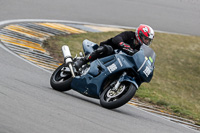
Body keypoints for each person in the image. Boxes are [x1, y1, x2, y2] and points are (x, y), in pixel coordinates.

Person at [74, 24, 155, 70]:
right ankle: (83, 60)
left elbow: (141, 56)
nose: (146, 41)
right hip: (109, 50)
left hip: (119, 60)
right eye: (145, 38)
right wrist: (123, 44)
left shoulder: (140, 47)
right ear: (139, 34)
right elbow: (117, 38)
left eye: (148, 40)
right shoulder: (129, 35)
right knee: (107, 49)